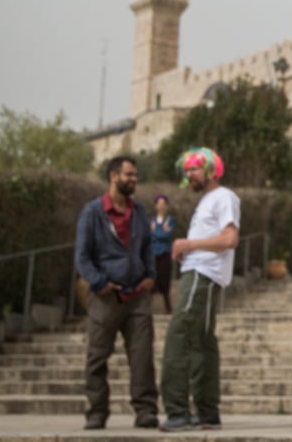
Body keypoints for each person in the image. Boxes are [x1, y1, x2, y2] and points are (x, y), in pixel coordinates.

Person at [74, 155, 159, 430]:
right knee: (97, 357)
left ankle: (145, 410)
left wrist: (151, 275)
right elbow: (82, 256)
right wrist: (99, 283)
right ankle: (96, 412)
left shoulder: (140, 212)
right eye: (129, 175)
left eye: (135, 175)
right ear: (113, 176)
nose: (133, 180)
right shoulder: (93, 212)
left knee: (142, 357)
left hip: (137, 298)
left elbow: (148, 247)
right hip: (105, 298)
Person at [159, 148, 240, 432]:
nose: (189, 174)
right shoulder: (207, 201)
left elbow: (230, 239)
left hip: (202, 275)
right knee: (203, 341)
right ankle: (207, 412)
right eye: (187, 170)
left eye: (194, 169)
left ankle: (178, 411)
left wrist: (188, 245)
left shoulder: (223, 197)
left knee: (178, 335)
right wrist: (188, 250)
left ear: (210, 170)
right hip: (201, 272)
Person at [150, 194, 175, 314]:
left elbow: (166, 236)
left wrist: (155, 232)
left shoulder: (169, 220)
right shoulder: (152, 221)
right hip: (154, 254)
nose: (161, 206)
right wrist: (159, 232)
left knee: (165, 278)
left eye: (163, 204)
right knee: (152, 278)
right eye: (159, 203)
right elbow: (150, 236)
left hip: (165, 253)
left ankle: (168, 307)